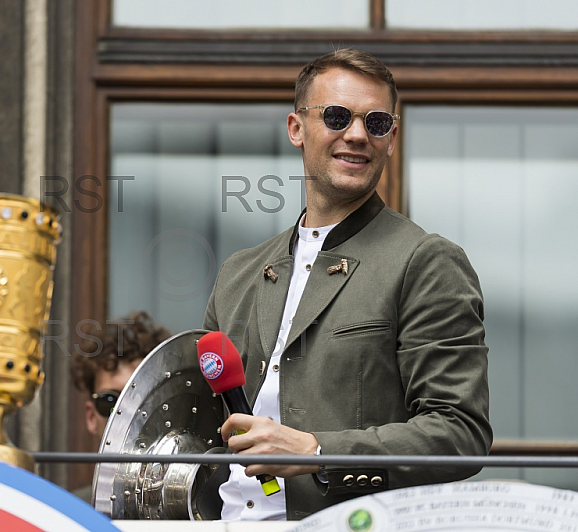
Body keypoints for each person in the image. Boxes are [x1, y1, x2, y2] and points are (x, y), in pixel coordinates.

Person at [201, 49, 492, 521]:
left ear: (392, 138)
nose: (357, 134)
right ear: (296, 128)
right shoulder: (239, 272)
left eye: (376, 123)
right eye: (337, 116)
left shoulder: (426, 261)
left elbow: (459, 435)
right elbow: (201, 425)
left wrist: (317, 450)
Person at [69, 310, 171, 502]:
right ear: (91, 417)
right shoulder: (68, 515)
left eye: (140, 400)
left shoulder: (200, 511)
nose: (125, 416)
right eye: (110, 401)